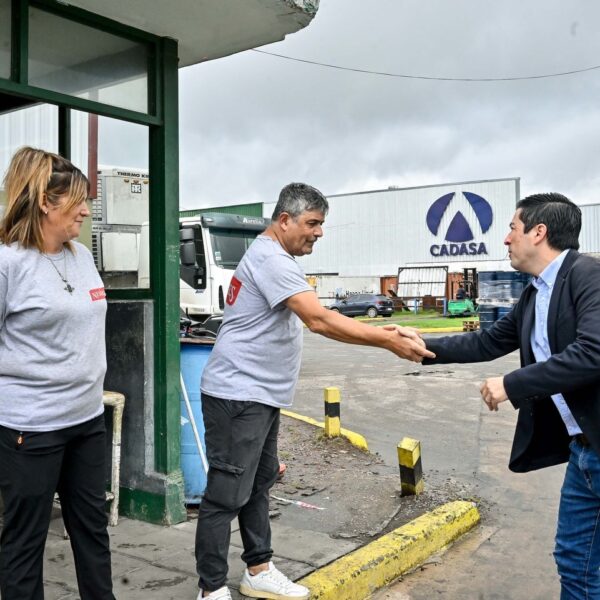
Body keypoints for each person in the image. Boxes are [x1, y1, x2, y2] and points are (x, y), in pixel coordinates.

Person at [195, 182, 434, 600]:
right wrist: (386, 341)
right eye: (312, 223)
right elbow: (319, 320)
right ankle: (211, 588)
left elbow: (320, 315)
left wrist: (386, 329)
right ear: (285, 220)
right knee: (226, 493)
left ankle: (258, 569)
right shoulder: (272, 260)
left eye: (321, 224)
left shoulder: (273, 256)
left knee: (258, 483)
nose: (319, 232)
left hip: (258, 395)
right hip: (239, 396)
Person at [422, 193, 600, 599]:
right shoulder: (536, 293)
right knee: (575, 561)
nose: (506, 239)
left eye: (512, 228)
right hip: (584, 453)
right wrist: (417, 345)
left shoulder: (589, 276)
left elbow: (594, 352)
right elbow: (487, 341)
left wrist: (512, 384)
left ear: (539, 232)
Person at [0, 147, 114, 600]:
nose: (86, 210)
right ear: (47, 202)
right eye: (79, 200)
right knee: (25, 542)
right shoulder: (8, 263)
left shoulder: (81, 254)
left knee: (92, 530)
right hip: (30, 428)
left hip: (87, 420)